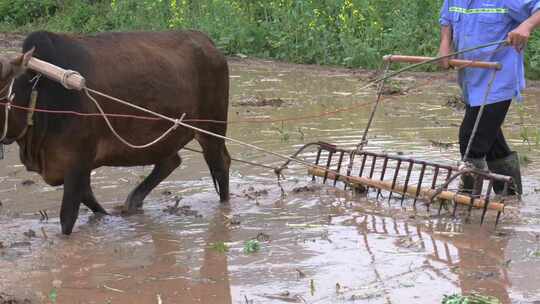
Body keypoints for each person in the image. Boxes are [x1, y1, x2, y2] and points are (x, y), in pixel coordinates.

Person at [438, 0, 540, 195]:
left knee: (471, 138)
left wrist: (526, 25)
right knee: (493, 144)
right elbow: (447, 18)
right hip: (470, 80)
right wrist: (445, 43)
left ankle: (467, 202)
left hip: (498, 79)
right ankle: (510, 196)